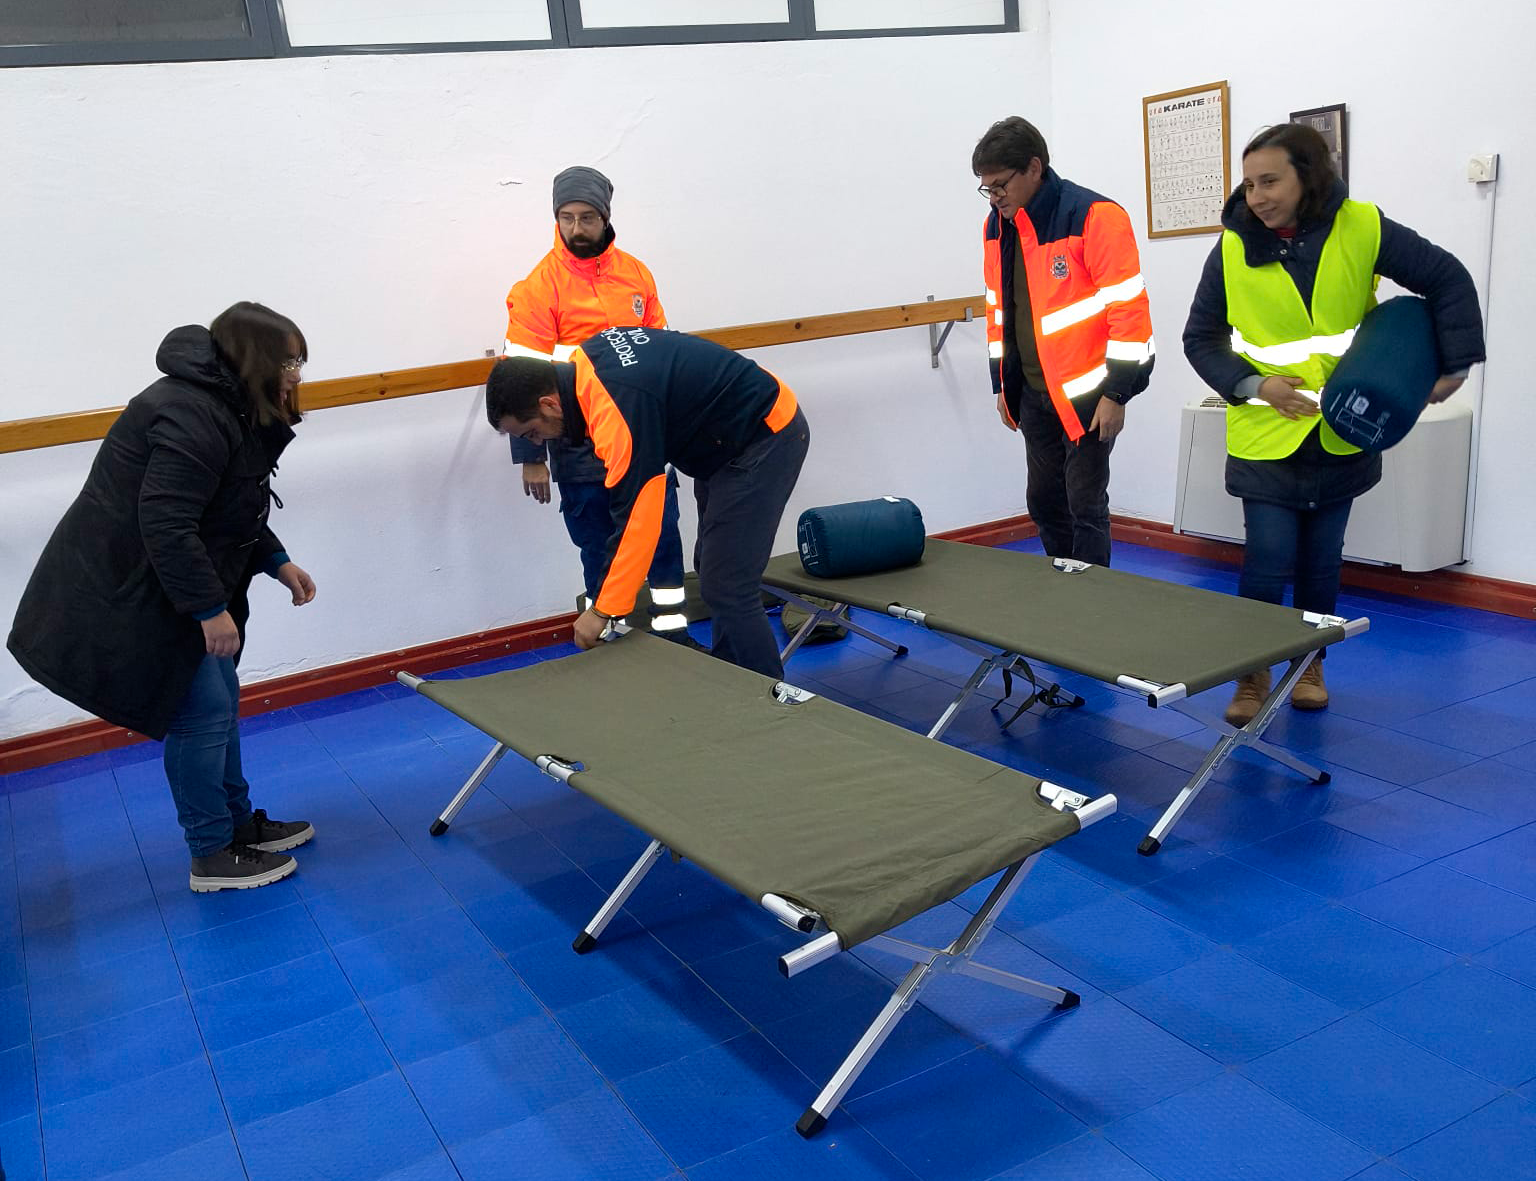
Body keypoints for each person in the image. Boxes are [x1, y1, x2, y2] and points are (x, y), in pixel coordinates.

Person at [7, 303, 318, 892]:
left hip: (166, 580)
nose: (296, 374)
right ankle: (212, 854)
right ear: (253, 360)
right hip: (133, 587)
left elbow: (229, 505)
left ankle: (237, 826)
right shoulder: (190, 411)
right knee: (200, 713)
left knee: (220, 700)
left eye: (298, 361)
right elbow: (168, 522)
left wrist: (276, 561)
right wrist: (208, 609)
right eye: (288, 362)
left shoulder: (227, 405)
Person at [1183, 123, 1485, 724]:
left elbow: (1446, 279)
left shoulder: (1362, 226)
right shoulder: (1233, 247)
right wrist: (1255, 385)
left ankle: (1309, 666)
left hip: (1344, 430)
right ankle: (1251, 675)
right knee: (1267, 561)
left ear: (1308, 176)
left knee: (1322, 565)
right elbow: (1201, 338)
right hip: (1266, 434)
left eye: (1270, 181)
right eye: (1249, 184)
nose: (1257, 196)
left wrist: (1452, 364)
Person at [486, 327, 810, 679]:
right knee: (712, 568)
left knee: (728, 584)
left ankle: (766, 699)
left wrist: (603, 610)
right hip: (723, 443)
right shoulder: (586, 368)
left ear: (549, 403)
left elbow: (638, 516)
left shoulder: (616, 408)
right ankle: (735, 679)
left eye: (533, 433)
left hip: (765, 434)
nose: (538, 442)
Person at [503, 165, 688, 637]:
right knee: (598, 547)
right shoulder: (539, 287)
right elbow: (520, 378)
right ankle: (609, 636)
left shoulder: (636, 274)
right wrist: (531, 457)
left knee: (662, 539)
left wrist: (676, 430)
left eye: (587, 218)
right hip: (578, 445)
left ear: (605, 218)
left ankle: (674, 633)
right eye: (566, 218)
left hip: (645, 434)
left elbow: (664, 354)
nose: (576, 228)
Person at [973, 116, 1156, 567]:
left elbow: (1129, 313)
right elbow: (999, 311)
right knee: (1044, 502)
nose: (994, 198)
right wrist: (1002, 387)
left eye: (1000, 185)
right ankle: (1062, 591)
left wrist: (1118, 393)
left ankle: (1091, 603)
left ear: (1034, 168)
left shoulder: (1094, 216)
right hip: (1032, 394)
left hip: (1090, 397)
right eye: (987, 189)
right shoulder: (997, 227)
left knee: (1084, 506)